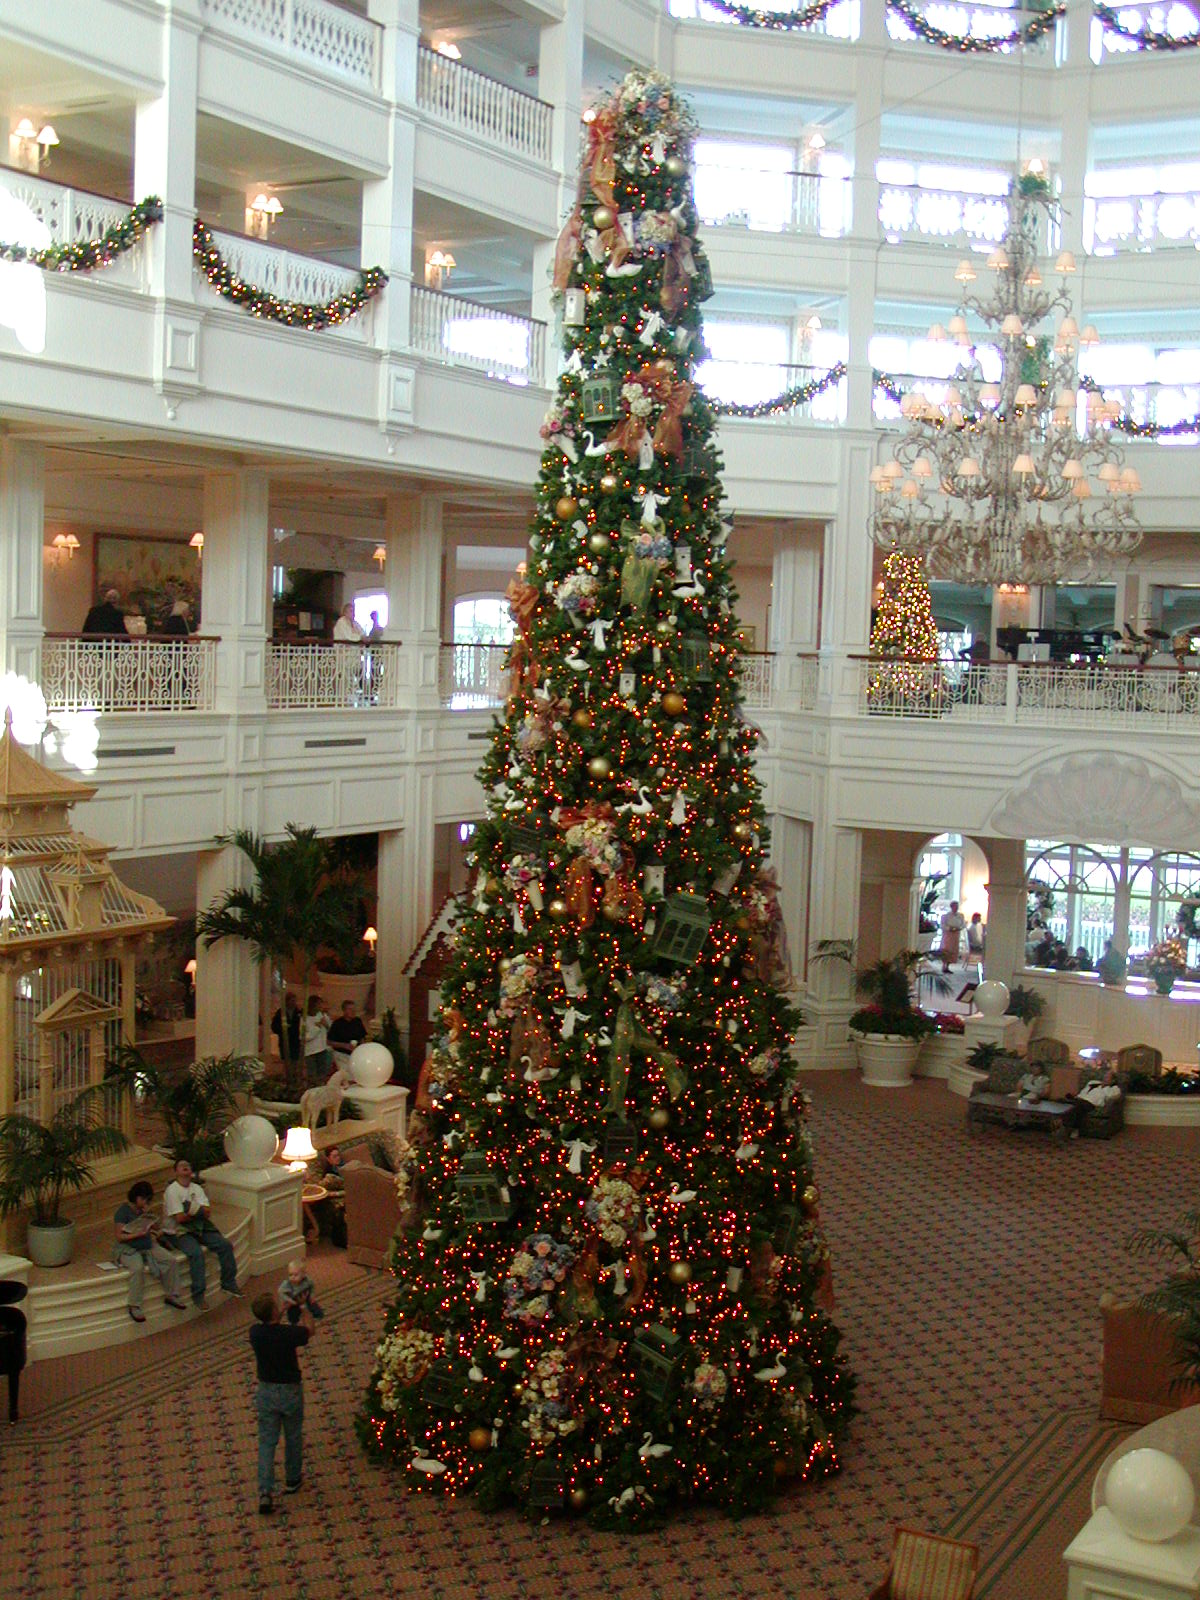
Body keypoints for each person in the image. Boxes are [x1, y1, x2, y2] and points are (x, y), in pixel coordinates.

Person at [249, 1290, 314, 1514]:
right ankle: (292, 1479)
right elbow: (309, 1331)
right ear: (275, 1312)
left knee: (267, 1441)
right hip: (290, 1392)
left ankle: (265, 1491)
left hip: (266, 1391)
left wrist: (279, 1313)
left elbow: (271, 1327)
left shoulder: (255, 1333)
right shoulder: (288, 1334)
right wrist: (304, 1308)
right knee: (293, 1435)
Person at [161, 1158, 240, 1308]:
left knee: (224, 1244)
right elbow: (179, 1218)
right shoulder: (172, 1191)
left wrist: (191, 1210)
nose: (185, 1167)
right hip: (179, 1231)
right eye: (181, 1165)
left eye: (188, 1165)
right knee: (196, 1253)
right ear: (176, 1171)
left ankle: (228, 1282)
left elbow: (207, 1212)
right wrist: (197, 1211)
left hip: (199, 1226)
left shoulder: (197, 1188)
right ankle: (198, 1295)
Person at [113, 1180, 187, 1322]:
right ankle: (134, 1305)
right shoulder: (122, 1212)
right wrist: (137, 1234)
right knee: (137, 1268)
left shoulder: (144, 1211)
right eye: (143, 1199)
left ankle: (172, 1294)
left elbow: (156, 1228)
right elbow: (119, 1236)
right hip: (129, 1248)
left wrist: (150, 1218)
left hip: (147, 1244)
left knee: (170, 1260)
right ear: (136, 1197)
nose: (145, 1202)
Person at [278, 1259, 325, 1324]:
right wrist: (289, 1300)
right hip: (293, 1301)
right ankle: (293, 1322)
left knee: (314, 1307)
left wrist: (312, 1295)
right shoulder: (287, 1284)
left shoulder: (307, 1280)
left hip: (307, 1298)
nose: (293, 1277)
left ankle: (317, 1316)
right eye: (290, 1275)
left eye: (296, 1275)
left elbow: (312, 1286)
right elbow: (281, 1292)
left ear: (303, 1275)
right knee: (293, 1314)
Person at [304, 995, 332, 1085]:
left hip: (322, 1049)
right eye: (318, 1004)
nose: (320, 1006)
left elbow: (330, 1029)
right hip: (311, 1051)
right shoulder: (304, 1019)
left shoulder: (321, 1015)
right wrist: (317, 1027)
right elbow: (304, 1037)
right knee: (312, 1075)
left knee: (322, 1074)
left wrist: (326, 1024)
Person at [271, 992, 301, 1067]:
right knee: (286, 1060)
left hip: (296, 1040)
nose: (294, 1003)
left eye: (295, 1001)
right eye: (292, 1001)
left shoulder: (299, 1012)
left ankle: (294, 1074)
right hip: (285, 1039)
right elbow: (274, 1026)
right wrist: (282, 1029)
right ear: (287, 1001)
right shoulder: (281, 1012)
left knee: (295, 1059)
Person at [939, 900, 966, 973]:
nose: (956, 908)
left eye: (957, 906)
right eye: (954, 906)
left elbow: (963, 924)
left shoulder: (960, 915)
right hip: (948, 935)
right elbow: (942, 925)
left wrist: (958, 928)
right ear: (951, 907)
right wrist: (949, 928)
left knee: (953, 951)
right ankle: (944, 965)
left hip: (956, 935)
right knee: (946, 950)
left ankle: (948, 966)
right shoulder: (946, 915)